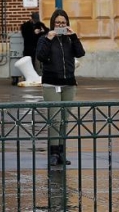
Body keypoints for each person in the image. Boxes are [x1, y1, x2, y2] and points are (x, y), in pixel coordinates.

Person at [35, 9, 86, 167]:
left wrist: (74, 37)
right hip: (51, 83)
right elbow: (40, 56)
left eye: (63, 23)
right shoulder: (45, 38)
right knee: (55, 120)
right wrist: (49, 39)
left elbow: (80, 53)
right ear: (52, 24)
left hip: (68, 83)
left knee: (64, 120)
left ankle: (62, 152)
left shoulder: (69, 40)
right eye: (57, 23)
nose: (60, 25)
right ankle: (53, 153)